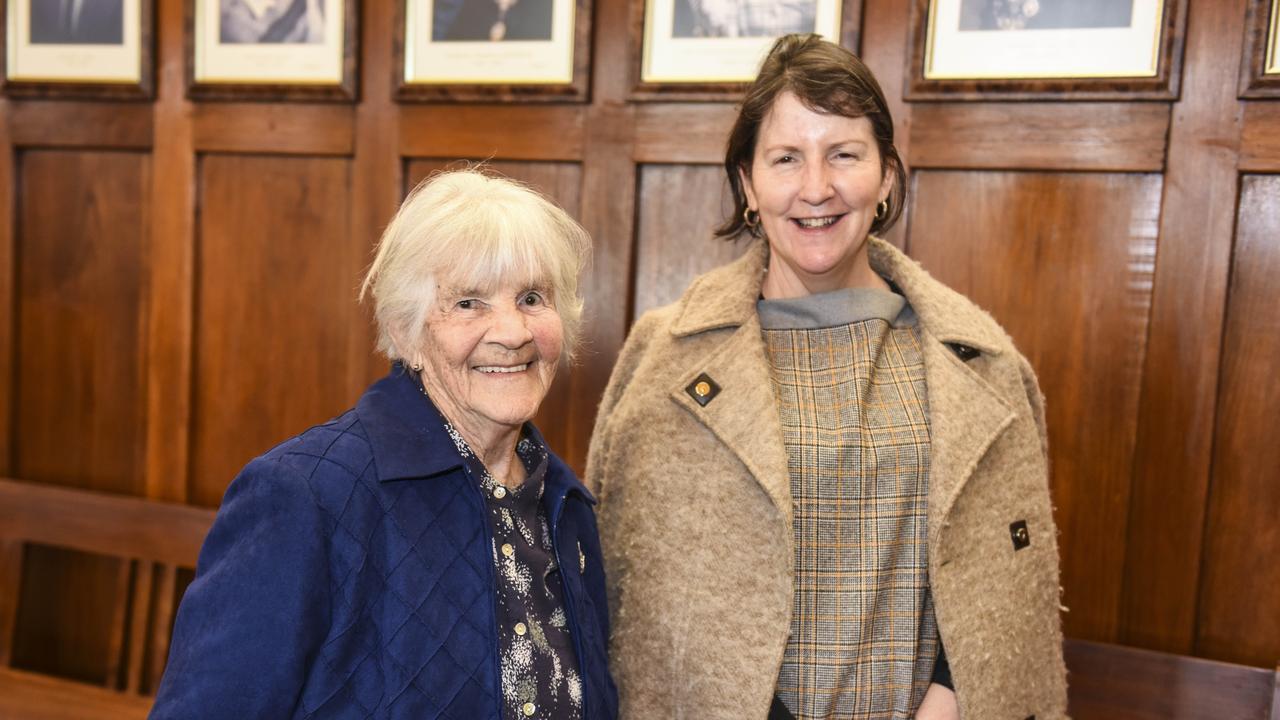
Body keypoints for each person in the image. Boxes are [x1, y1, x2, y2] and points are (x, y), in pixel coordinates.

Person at [587, 34, 1067, 720]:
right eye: (786, 159)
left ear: (888, 177)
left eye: (844, 154)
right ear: (749, 185)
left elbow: (1002, 579)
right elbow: (626, 581)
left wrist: (951, 694)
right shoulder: (664, 355)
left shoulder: (981, 362)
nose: (817, 188)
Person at [151, 169, 618, 720]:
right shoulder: (304, 496)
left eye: (532, 297)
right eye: (468, 302)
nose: (512, 331)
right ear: (404, 332)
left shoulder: (565, 506)